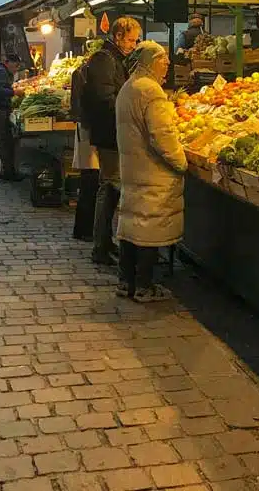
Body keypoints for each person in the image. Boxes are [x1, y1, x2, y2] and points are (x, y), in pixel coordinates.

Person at [115, 41, 187, 302]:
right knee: (149, 228)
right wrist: (181, 162)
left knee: (132, 224)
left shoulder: (128, 87)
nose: (167, 64)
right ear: (149, 61)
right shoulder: (151, 92)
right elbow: (163, 136)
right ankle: (145, 286)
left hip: (134, 168)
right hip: (153, 171)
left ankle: (126, 282)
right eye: (162, 59)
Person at [81, 15, 141, 265]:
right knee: (109, 186)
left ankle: (105, 242)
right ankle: (101, 246)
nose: (133, 44)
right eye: (130, 39)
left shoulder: (114, 59)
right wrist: (129, 111)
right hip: (109, 134)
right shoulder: (104, 60)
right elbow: (105, 98)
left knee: (111, 188)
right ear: (117, 36)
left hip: (112, 133)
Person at [70, 54, 98, 242]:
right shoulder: (85, 76)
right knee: (90, 183)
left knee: (88, 182)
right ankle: (85, 229)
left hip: (84, 130)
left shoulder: (79, 73)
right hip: (89, 132)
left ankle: (82, 229)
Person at [0, 53, 24, 181]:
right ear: (8, 62)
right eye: (16, 65)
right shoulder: (1, 72)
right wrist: (14, 92)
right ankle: (8, 172)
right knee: (4, 141)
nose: (16, 69)